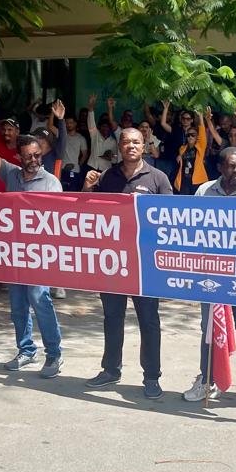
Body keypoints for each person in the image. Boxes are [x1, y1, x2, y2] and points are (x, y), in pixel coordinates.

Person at [82, 127, 174, 397]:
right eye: (126, 142)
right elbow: (88, 214)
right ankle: (111, 370)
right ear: (119, 146)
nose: (131, 146)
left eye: (136, 142)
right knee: (112, 317)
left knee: (149, 320)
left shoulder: (158, 179)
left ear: (144, 146)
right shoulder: (107, 177)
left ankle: (152, 377)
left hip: (145, 264)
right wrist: (88, 187)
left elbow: (170, 219)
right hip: (113, 261)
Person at [0, 101, 64, 378]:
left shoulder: (51, 183)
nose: (34, 159)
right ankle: (26, 350)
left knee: (40, 300)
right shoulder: (11, 174)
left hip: (39, 255)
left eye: (37, 154)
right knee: (17, 305)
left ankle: (54, 354)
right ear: (19, 156)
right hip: (14, 253)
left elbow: (61, 223)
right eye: (28, 155)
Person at [181, 147, 236, 414]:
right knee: (209, 329)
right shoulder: (203, 192)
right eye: (232, 167)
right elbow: (190, 230)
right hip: (211, 275)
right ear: (220, 167)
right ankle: (207, 380)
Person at [85, 96, 118, 175]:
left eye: (107, 127)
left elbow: (116, 158)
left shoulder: (113, 141)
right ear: (99, 127)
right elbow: (91, 122)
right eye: (103, 126)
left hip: (106, 170)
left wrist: (111, 156)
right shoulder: (95, 135)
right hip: (92, 167)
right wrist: (91, 107)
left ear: (110, 128)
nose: (105, 129)